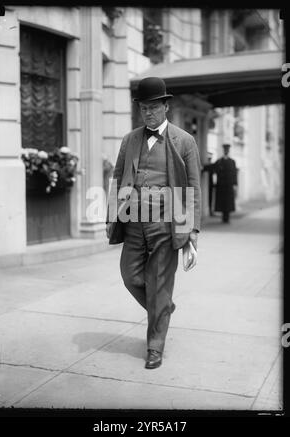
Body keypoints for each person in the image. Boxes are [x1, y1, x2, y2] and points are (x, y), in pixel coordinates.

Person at [106, 77, 202, 369]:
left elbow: (194, 190)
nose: (147, 113)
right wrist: (112, 215)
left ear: (165, 107)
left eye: (153, 107)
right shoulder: (130, 139)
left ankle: (154, 347)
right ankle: (162, 307)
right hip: (134, 222)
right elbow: (117, 177)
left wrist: (192, 233)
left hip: (166, 225)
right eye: (143, 108)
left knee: (159, 283)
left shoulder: (184, 140)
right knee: (129, 276)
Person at [213, 144, 238, 223]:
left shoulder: (232, 162)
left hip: (229, 185)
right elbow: (212, 167)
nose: (226, 151)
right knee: (222, 202)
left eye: (227, 150)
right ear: (224, 151)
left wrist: (235, 184)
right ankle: (224, 217)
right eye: (225, 150)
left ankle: (227, 217)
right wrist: (203, 167)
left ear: (228, 151)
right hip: (221, 186)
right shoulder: (219, 161)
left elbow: (234, 174)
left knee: (228, 202)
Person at [202, 152, 215, 216]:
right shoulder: (208, 166)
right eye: (209, 158)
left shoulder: (212, 165)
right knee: (208, 197)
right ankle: (209, 210)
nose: (210, 159)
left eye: (210, 158)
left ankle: (210, 210)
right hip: (206, 185)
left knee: (211, 198)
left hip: (211, 184)